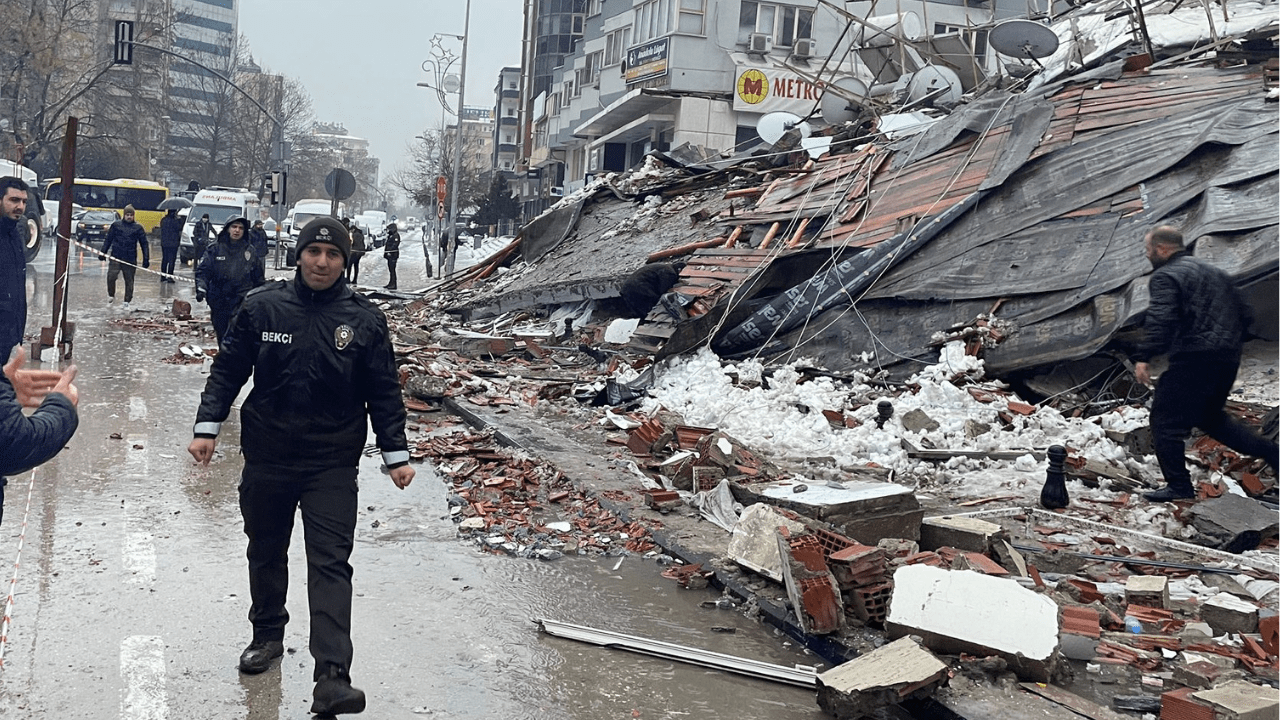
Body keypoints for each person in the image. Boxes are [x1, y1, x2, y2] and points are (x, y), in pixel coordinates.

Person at [188, 216, 413, 716]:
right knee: (266, 549)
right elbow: (228, 369)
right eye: (314, 252)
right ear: (300, 256)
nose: (323, 262)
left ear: (345, 262)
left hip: (331, 461)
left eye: (333, 255)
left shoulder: (365, 320)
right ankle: (267, 635)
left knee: (330, 562)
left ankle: (332, 675)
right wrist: (208, 425)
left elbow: (383, 390)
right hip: (268, 453)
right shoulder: (262, 307)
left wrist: (395, 453)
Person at [1132, 225, 1279, 502]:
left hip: (1194, 359)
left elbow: (1161, 318)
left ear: (1162, 249)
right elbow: (1246, 313)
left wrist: (1144, 355)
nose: (1147, 255)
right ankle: (1272, 452)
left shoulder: (1165, 276)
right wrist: (1227, 343)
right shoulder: (1216, 273)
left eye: (1148, 250)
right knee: (1211, 418)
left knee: (1165, 421)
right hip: (1225, 360)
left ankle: (1179, 487)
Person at [194, 216, 264, 346]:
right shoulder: (215, 249)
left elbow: (259, 279)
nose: (237, 230)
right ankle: (224, 361)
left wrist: (260, 300)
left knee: (239, 340)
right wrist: (201, 288)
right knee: (223, 337)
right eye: (234, 227)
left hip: (242, 303)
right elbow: (203, 271)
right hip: (219, 302)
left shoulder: (250, 252)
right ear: (227, 229)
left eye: (240, 228)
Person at [99, 204, 150, 308]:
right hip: (116, 256)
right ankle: (111, 295)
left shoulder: (138, 228)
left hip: (130, 258)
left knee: (129, 280)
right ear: (124, 215)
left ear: (134, 216)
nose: (129, 217)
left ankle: (127, 301)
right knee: (111, 277)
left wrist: (146, 259)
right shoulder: (116, 225)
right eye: (127, 214)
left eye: (131, 215)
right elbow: (108, 239)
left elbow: (144, 243)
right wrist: (103, 252)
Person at [158, 208, 183, 282]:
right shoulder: (176, 221)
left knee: (164, 260)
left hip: (164, 243)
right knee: (172, 260)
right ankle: (169, 276)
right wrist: (179, 219)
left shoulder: (163, 220)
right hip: (173, 244)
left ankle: (163, 276)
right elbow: (180, 227)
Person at [346, 220, 366, 284]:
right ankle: (355, 279)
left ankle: (348, 278)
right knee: (356, 265)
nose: (351, 232)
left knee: (349, 265)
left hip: (355, 252)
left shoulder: (355, 234)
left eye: (351, 230)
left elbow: (354, 243)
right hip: (360, 252)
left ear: (353, 229)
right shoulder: (360, 234)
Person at [381, 221, 400, 290]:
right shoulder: (391, 235)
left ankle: (393, 284)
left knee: (392, 270)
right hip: (390, 255)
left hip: (393, 255)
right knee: (390, 270)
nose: (388, 231)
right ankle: (390, 283)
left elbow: (395, 245)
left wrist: (390, 251)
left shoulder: (395, 235)